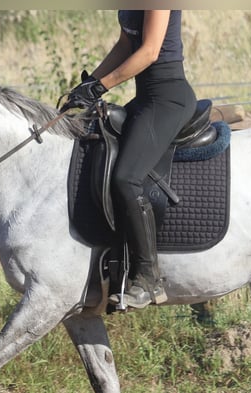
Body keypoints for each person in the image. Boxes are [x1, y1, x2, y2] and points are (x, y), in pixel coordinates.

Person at [62, 10, 197, 309]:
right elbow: (125, 44)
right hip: (145, 98)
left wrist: (102, 86)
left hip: (168, 98)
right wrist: (88, 85)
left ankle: (149, 278)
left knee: (127, 177)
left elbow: (149, 51)